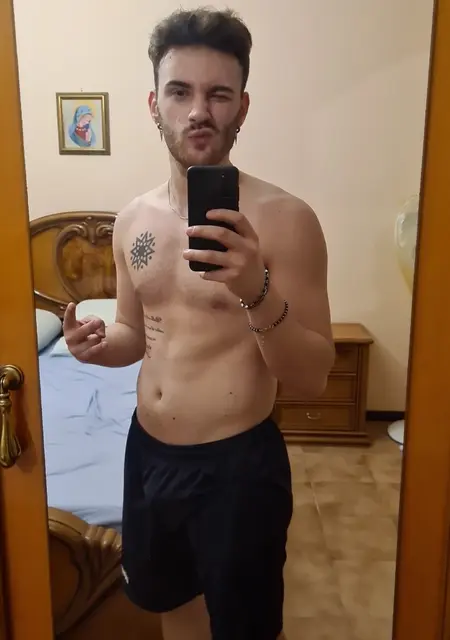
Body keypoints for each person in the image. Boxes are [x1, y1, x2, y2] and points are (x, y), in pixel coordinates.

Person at [62, 7, 335, 640]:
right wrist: (96, 347)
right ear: (154, 104)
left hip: (237, 466)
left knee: (245, 627)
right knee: (173, 611)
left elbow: (313, 376)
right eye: (181, 92)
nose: (198, 111)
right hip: (148, 452)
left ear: (243, 106)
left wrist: (254, 289)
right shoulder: (131, 220)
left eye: (219, 94)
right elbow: (136, 334)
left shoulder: (288, 220)